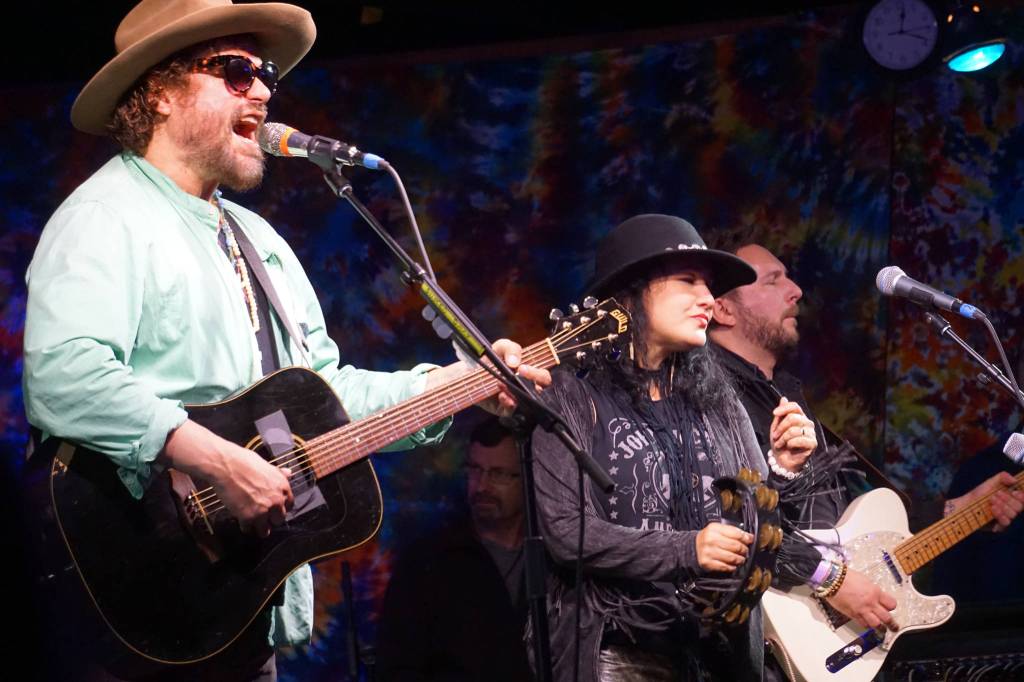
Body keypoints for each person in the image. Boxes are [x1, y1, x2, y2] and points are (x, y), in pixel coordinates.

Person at [20, 1, 548, 679]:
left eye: (266, 73)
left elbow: (324, 393)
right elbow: (64, 374)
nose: (265, 91)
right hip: (135, 596)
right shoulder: (105, 216)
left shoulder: (259, 241)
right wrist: (217, 461)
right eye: (236, 71)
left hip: (238, 605)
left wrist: (455, 387)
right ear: (159, 93)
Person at [529, 214, 819, 682]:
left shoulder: (719, 401)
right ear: (631, 294)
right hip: (620, 654)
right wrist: (688, 548)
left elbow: (761, 535)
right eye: (687, 281)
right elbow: (567, 533)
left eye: (708, 286)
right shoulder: (571, 395)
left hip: (717, 655)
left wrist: (781, 471)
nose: (707, 297)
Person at [708, 243, 1024, 636]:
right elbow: (736, 521)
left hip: (822, 631)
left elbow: (851, 521)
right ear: (723, 309)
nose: (796, 290)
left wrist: (961, 509)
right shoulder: (710, 396)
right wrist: (832, 580)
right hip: (757, 636)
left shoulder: (786, 394)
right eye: (773, 280)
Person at [375, 417, 531, 681]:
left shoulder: (553, 558)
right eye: (475, 469)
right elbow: (397, 664)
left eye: (499, 474)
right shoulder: (428, 561)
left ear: (527, 478)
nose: (482, 486)